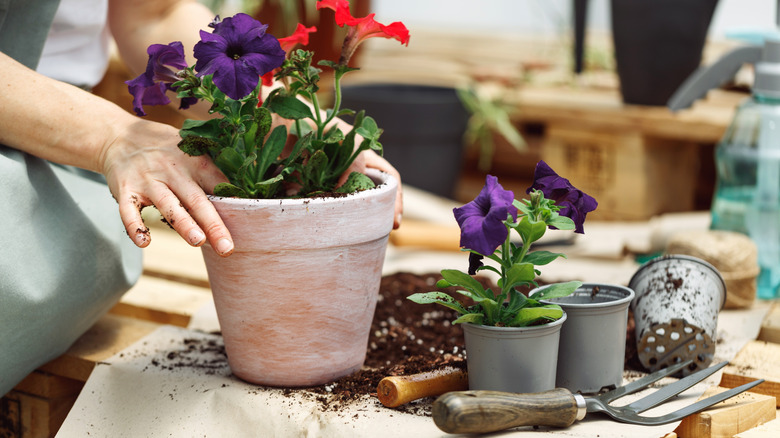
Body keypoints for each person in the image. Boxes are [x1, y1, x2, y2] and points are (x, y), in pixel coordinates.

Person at [0, 0, 402, 397]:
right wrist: (111, 137)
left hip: (66, 158)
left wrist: (296, 121)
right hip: (66, 133)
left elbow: (155, 13)